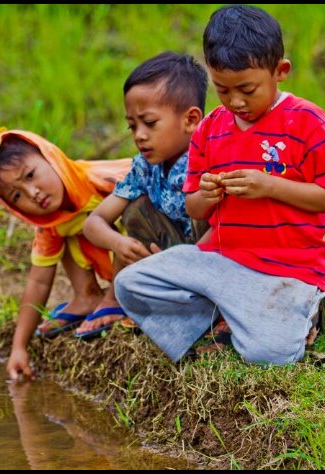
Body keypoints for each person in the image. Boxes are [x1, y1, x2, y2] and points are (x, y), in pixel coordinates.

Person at [113, 5, 325, 365]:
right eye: (223, 90)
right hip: (222, 262)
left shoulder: (307, 122)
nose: (235, 101)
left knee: (269, 354)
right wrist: (206, 195)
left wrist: (270, 186)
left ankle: (295, 315)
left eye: (247, 89)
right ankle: (220, 323)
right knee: (129, 284)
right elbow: (194, 207)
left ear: (280, 71)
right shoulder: (211, 128)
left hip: (287, 269)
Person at [0, 128, 131, 379]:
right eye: (17, 195)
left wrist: (114, 297)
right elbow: (38, 280)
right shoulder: (50, 220)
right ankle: (87, 296)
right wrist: (19, 347)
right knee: (60, 228)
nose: (33, 193)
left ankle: (115, 298)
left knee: (133, 214)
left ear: (51, 157)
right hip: (123, 260)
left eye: (30, 175)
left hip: (158, 247)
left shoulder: (106, 182)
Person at [78, 51, 210, 339]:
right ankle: (115, 300)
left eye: (149, 123)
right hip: (165, 259)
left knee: (209, 205)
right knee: (136, 209)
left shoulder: (209, 159)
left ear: (190, 120)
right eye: (132, 126)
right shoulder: (144, 168)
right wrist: (119, 243)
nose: (139, 135)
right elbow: (94, 222)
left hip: (210, 262)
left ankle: (208, 309)